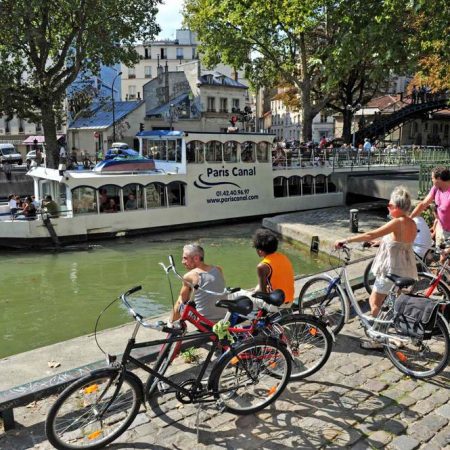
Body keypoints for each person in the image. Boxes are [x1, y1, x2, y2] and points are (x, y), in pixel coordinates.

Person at [335, 186, 418, 349]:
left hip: (391, 270)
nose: (388, 207)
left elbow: (371, 234)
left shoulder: (397, 222)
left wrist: (346, 240)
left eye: (390, 205)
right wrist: (382, 242)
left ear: (397, 207)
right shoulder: (411, 222)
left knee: (374, 301)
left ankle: (377, 340)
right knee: (395, 305)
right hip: (406, 268)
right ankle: (395, 335)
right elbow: (401, 242)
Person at [170, 243, 227, 323]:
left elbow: (183, 300)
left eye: (185, 258)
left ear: (196, 258)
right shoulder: (218, 269)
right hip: (224, 317)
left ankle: (171, 324)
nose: (182, 262)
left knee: (180, 300)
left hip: (204, 322)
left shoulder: (189, 276)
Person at [253, 228, 295, 305]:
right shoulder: (283, 257)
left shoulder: (262, 266)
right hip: (290, 300)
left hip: (276, 304)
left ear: (260, 251)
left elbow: (263, 294)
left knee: (241, 297)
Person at [410, 166, 450, 243]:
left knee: (445, 253)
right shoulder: (436, 188)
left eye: (432, 178)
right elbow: (423, 204)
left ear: (438, 178)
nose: (431, 180)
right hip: (441, 228)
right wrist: (409, 218)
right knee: (441, 253)